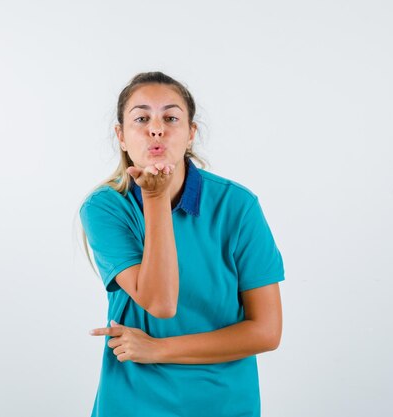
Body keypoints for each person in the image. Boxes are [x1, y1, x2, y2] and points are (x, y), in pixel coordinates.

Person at [78, 71, 285, 417]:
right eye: (141, 118)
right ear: (121, 136)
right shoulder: (105, 208)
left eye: (170, 118)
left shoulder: (238, 206)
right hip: (133, 401)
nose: (156, 129)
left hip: (223, 403)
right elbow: (160, 302)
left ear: (191, 134)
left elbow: (266, 332)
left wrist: (157, 349)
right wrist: (155, 198)